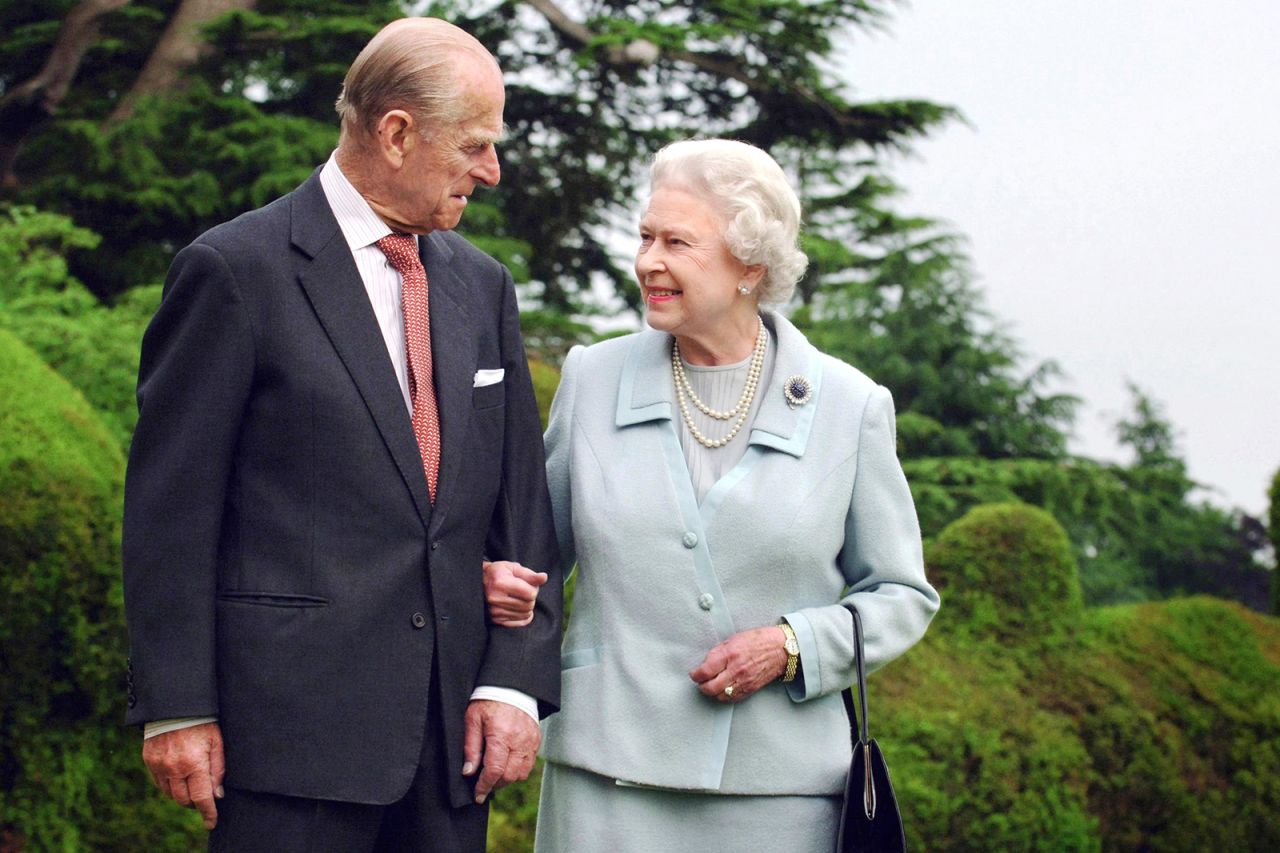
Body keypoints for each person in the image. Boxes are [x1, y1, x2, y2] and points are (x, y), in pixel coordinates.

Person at [122, 17, 561, 851]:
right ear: (396, 132)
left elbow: (521, 506)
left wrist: (514, 682)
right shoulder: (233, 272)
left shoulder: (482, 285)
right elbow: (169, 514)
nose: (492, 171)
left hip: (451, 751)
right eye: (475, 143)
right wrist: (177, 705)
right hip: (287, 744)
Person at [483, 138, 940, 852]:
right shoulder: (593, 379)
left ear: (749, 267)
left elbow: (901, 594)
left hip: (780, 794)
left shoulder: (849, 405)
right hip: (606, 781)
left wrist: (793, 645)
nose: (647, 261)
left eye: (676, 242)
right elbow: (532, 553)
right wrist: (498, 575)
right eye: (644, 236)